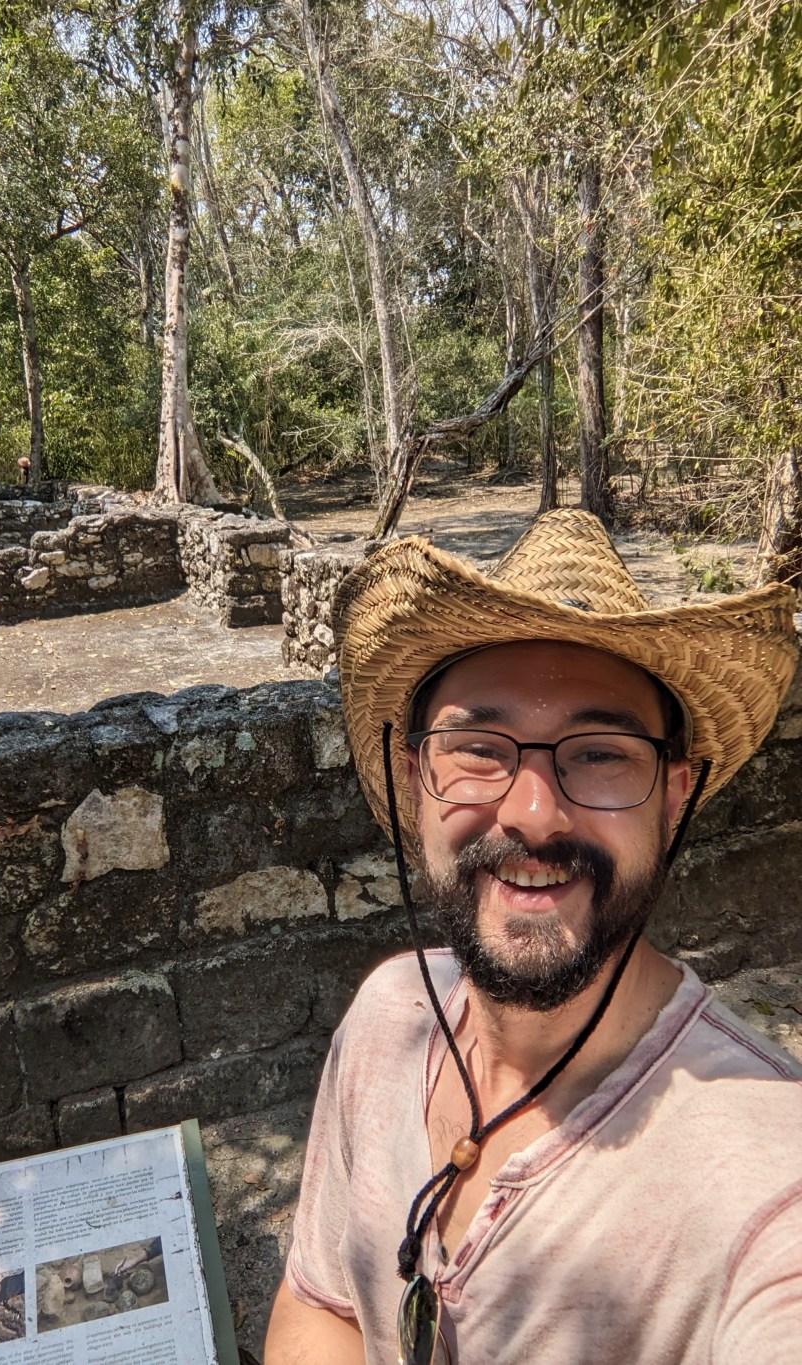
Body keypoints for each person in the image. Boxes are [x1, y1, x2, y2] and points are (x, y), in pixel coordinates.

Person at [265, 508, 802, 1365]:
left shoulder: (767, 1183)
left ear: (674, 796)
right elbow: (323, 1301)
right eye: (479, 748)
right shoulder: (388, 1015)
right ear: (417, 778)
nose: (534, 813)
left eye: (599, 753)